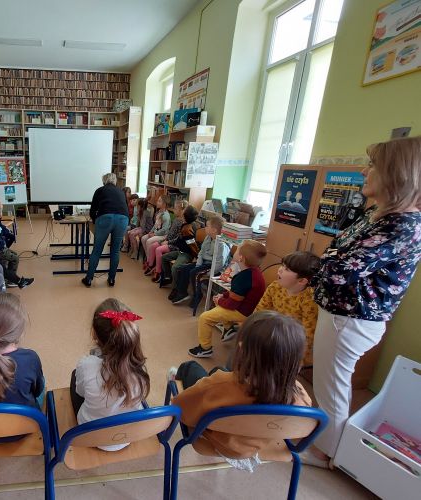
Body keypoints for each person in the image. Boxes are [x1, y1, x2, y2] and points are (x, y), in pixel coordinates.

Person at [309, 136, 421, 466]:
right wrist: (330, 260)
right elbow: (336, 250)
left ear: (397, 174)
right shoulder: (379, 213)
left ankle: (327, 451)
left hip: (351, 320)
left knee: (331, 387)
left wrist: (328, 262)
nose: (363, 171)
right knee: (329, 382)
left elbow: (337, 271)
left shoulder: (402, 225)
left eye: (372, 165)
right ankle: (327, 440)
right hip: (342, 314)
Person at [170, 311, 311, 467]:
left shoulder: (219, 384)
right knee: (219, 370)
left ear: (241, 348)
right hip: (264, 442)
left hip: (221, 442)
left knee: (190, 367)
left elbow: (180, 410)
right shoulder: (300, 395)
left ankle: (176, 376)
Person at [70, 298, 150, 451]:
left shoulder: (86, 365)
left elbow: (80, 393)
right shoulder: (140, 367)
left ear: (94, 334)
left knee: (76, 376)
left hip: (91, 435)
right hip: (128, 436)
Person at [232, 251, 320, 368]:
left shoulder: (310, 299)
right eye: (282, 265)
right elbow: (259, 311)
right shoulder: (275, 286)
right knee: (242, 352)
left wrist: (298, 361)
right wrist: (247, 333)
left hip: (291, 343)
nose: (280, 270)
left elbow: (308, 334)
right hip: (273, 333)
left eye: (287, 269)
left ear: (302, 281)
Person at [189, 240, 267, 358]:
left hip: (243, 312)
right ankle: (228, 328)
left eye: (237, 249)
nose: (234, 250)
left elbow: (231, 304)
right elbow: (236, 293)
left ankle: (205, 348)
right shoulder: (253, 272)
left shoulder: (243, 277)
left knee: (204, 318)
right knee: (220, 301)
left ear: (241, 258)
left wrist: (220, 300)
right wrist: (223, 296)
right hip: (247, 308)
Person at [82, 173, 130, 287]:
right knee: (115, 251)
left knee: (97, 250)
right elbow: (125, 207)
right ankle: (111, 279)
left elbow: (93, 210)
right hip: (123, 219)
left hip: (105, 218)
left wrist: (95, 221)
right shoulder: (121, 191)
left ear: (104, 181)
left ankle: (89, 279)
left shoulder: (100, 190)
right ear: (115, 181)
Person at [170, 215, 230, 305]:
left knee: (193, 273)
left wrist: (209, 274)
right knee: (183, 269)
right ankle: (182, 293)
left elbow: (219, 264)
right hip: (203, 264)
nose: (205, 228)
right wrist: (198, 265)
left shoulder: (222, 245)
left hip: (212, 266)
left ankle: (197, 295)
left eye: (207, 226)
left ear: (214, 230)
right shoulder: (208, 237)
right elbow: (201, 253)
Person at [0, 203, 34, 289]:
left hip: (0, 248)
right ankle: (11, 281)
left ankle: (9, 278)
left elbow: (1, 230)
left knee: (13, 256)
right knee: (15, 258)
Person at [145, 199, 188, 281]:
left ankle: (158, 272)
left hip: (174, 245)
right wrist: (164, 240)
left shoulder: (182, 223)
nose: (174, 210)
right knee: (153, 246)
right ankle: (151, 265)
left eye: (175, 209)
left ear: (181, 210)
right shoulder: (176, 219)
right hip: (168, 240)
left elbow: (178, 238)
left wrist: (167, 242)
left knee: (158, 250)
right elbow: (170, 233)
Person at [159, 205, 202, 287]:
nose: (182, 212)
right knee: (164, 258)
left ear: (186, 215)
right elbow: (179, 239)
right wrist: (169, 242)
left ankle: (177, 287)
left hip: (187, 254)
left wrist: (197, 257)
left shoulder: (188, 229)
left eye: (184, 211)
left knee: (175, 268)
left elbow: (192, 245)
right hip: (180, 251)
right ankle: (168, 277)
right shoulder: (184, 225)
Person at [141, 195, 171, 262]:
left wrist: (154, 234)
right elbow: (155, 224)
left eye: (159, 201)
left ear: (164, 204)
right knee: (143, 238)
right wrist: (151, 232)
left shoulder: (166, 216)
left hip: (163, 235)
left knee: (149, 241)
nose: (157, 202)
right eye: (158, 201)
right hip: (156, 233)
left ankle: (149, 261)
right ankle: (149, 257)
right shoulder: (159, 212)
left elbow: (164, 230)